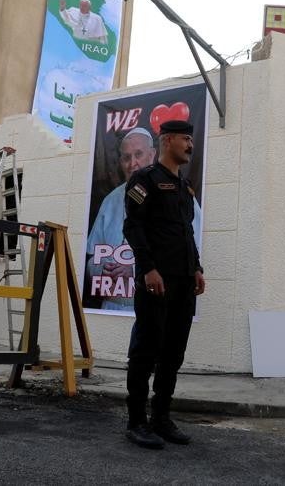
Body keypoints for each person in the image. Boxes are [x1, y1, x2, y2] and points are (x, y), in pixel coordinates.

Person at [121, 120, 206, 449]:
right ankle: (136, 421)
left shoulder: (185, 188)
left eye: (191, 139)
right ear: (167, 141)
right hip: (156, 281)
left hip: (184, 283)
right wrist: (148, 268)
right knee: (145, 351)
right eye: (185, 139)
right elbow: (133, 228)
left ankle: (161, 417)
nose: (190, 145)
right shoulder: (145, 180)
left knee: (173, 353)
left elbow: (186, 233)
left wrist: (196, 267)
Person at [86, 127, 201, 312]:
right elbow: (92, 256)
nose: (133, 163)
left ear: (152, 154)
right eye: (126, 157)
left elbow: (189, 249)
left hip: (159, 301)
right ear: (120, 162)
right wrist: (100, 269)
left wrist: (135, 269)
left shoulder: (179, 192)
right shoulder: (110, 201)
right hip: (112, 306)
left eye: (138, 154)